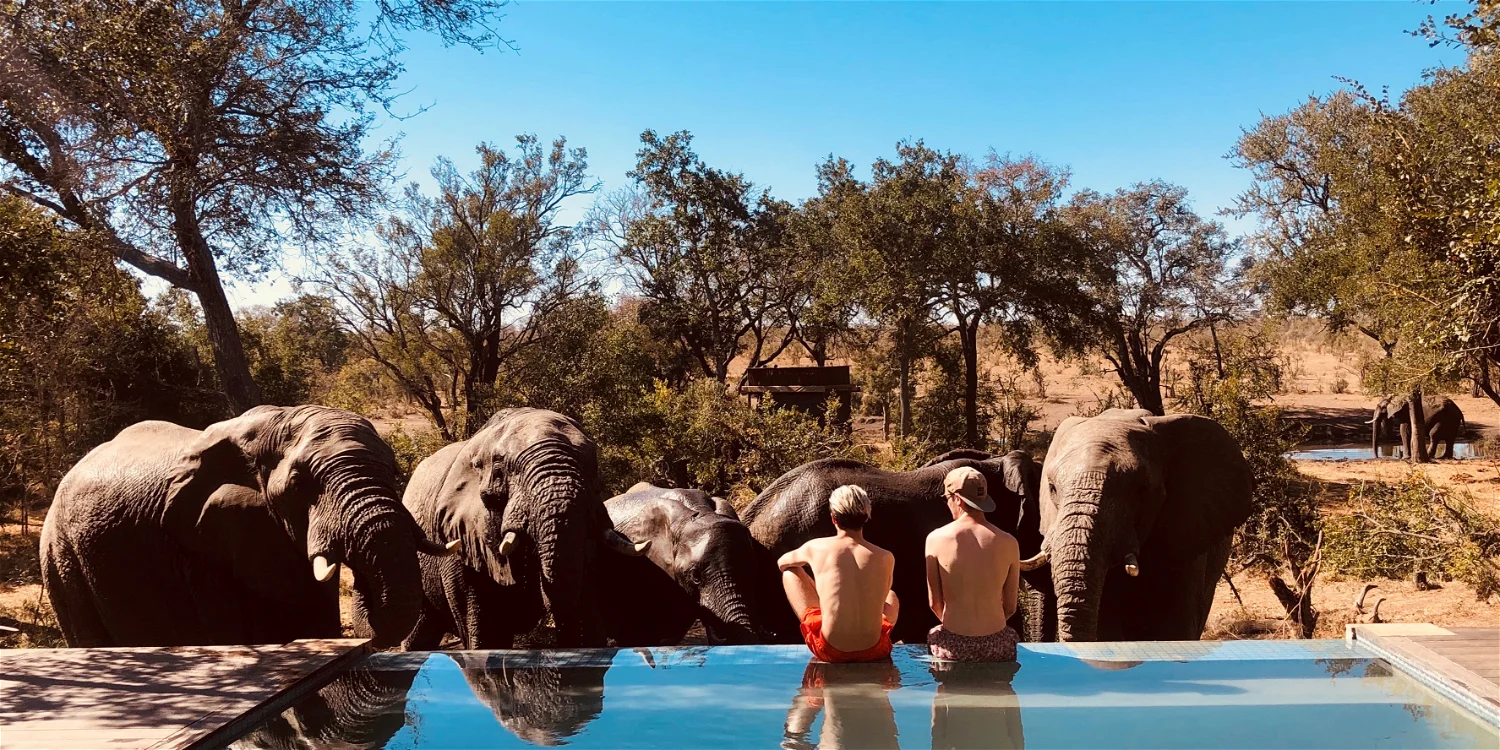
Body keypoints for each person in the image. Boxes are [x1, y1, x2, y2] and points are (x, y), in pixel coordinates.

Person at [777, 485, 900, 663]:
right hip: (875, 649)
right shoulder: (885, 556)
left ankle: (831, 620)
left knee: (790, 572)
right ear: (866, 517)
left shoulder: (816, 547)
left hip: (830, 649)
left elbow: (782, 562)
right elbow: (881, 599)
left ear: (834, 519)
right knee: (891, 595)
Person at [924, 466, 1020, 662]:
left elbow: (934, 603)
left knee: (935, 634)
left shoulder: (936, 539)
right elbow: (1010, 607)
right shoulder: (1009, 541)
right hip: (998, 645)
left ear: (957, 499)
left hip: (953, 647)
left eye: (947, 499)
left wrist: (961, 631)